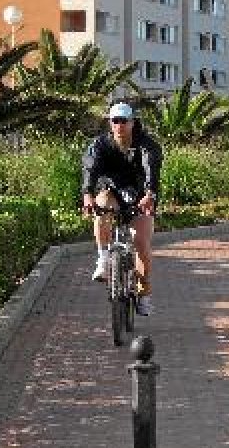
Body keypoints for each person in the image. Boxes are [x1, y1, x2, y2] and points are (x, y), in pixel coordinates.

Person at [81, 102, 162, 316]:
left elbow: (151, 167)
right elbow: (90, 168)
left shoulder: (146, 145)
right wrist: (87, 194)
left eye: (123, 121)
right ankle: (103, 258)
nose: (119, 125)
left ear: (132, 122)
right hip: (112, 191)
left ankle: (144, 293)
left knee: (140, 242)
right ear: (110, 122)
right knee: (101, 206)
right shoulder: (100, 145)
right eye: (114, 120)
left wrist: (149, 195)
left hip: (142, 194)